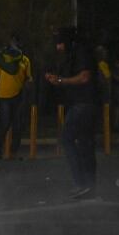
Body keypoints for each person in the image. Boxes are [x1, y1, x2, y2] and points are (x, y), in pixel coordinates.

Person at [46, 26, 97, 199]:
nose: (58, 48)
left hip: (83, 104)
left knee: (67, 139)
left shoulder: (81, 52)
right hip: (81, 104)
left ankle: (81, 182)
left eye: (60, 43)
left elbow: (84, 77)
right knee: (84, 144)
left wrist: (61, 80)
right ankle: (89, 184)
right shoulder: (73, 53)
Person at [0, 34, 32, 159]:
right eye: (15, 41)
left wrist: (29, 85)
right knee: (5, 123)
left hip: (18, 96)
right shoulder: (2, 59)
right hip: (3, 96)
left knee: (18, 125)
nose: (17, 44)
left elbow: (28, 78)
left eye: (19, 42)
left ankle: (14, 152)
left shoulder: (25, 60)